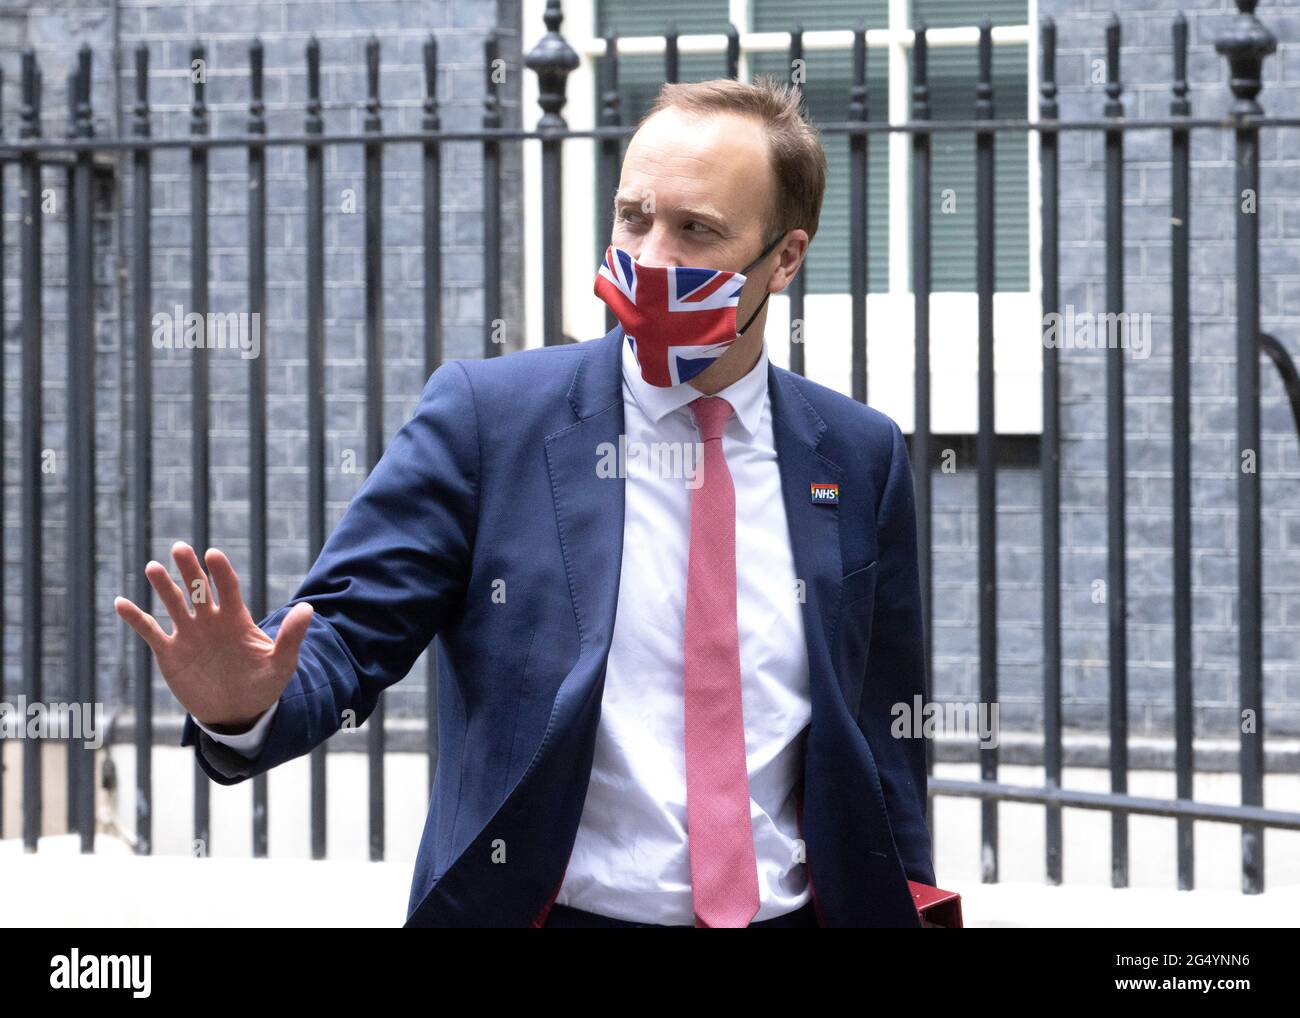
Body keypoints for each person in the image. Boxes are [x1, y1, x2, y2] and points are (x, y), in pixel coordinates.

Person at [114, 75, 936, 928]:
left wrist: (915, 896)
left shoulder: (857, 454)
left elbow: (883, 737)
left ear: (785, 258)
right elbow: (345, 640)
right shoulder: (489, 421)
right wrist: (245, 703)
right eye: (633, 216)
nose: (649, 259)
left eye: (696, 231)